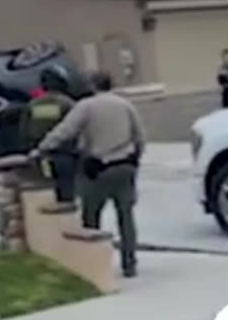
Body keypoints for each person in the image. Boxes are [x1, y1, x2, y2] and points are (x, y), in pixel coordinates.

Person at [31, 70, 145, 277]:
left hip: (97, 168)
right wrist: (136, 159)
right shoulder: (125, 104)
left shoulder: (86, 106)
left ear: (92, 85)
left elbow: (65, 131)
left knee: (91, 216)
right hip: (125, 166)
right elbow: (140, 136)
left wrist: (41, 148)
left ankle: (94, 263)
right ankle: (130, 263)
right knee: (126, 217)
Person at [20, 65, 79, 208]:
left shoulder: (33, 105)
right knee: (67, 196)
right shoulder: (68, 103)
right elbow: (77, 129)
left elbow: (24, 130)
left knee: (45, 195)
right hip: (65, 155)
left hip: (39, 155)